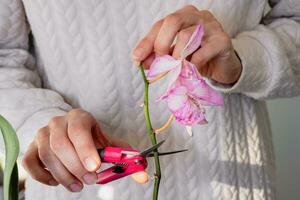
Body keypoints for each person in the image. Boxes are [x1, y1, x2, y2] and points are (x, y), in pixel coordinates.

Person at [0, 0, 299, 199]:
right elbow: (4, 56)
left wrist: (244, 59)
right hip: (74, 188)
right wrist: (39, 121)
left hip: (230, 184)